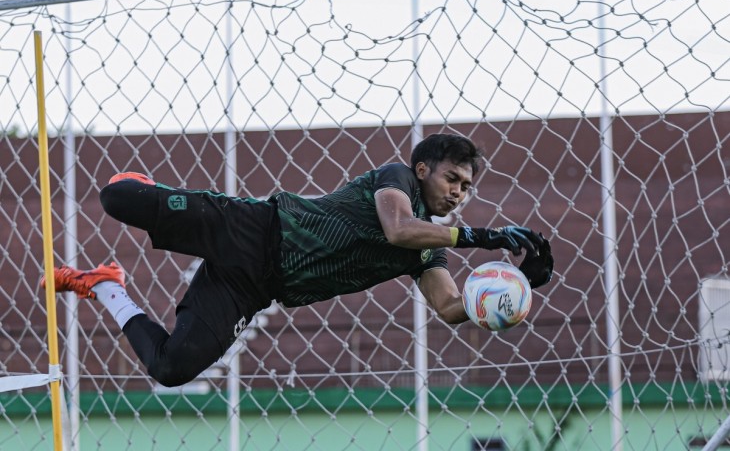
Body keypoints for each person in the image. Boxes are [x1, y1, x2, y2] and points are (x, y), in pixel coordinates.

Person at [43, 133, 553, 387]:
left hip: (257, 285)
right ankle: (156, 193)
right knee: (118, 200)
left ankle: (106, 284)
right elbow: (397, 228)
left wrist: (511, 288)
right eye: (451, 180)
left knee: (172, 368)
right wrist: (486, 237)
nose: (459, 192)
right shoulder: (395, 178)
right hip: (253, 229)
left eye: (467, 187)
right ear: (423, 169)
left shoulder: (431, 244)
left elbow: (448, 306)